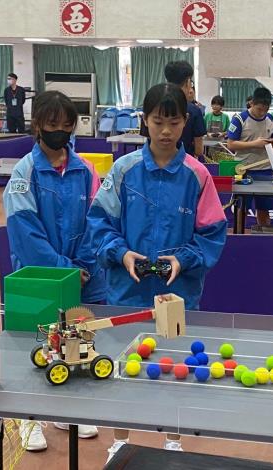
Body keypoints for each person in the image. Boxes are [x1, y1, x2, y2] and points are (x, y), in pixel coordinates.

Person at [87, 83, 227, 461]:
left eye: (174, 122)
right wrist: (120, 254)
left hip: (178, 293)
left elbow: (212, 233)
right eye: (158, 121)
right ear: (144, 121)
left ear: (185, 123)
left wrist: (184, 259)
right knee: (122, 365)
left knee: (175, 362)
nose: (166, 131)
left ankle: (173, 437)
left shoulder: (197, 175)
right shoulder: (124, 170)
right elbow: (99, 223)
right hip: (126, 290)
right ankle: (120, 438)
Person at [3, 90, 105, 452]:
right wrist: (65, 270)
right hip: (38, 278)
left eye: (66, 125)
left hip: (84, 276)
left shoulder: (86, 170)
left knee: (76, 343)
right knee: (35, 347)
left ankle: (69, 412)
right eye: (52, 124)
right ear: (37, 125)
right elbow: (25, 234)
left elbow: (97, 221)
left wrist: (83, 266)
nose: (60, 131)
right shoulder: (24, 172)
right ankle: (28, 418)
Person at [227, 86, 273, 226]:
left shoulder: (270, 118)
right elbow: (231, 144)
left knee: (264, 209)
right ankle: (239, 234)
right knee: (241, 208)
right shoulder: (239, 119)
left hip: (265, 171)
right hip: (243, 170)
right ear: (252, 103)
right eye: (259, 109)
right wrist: (255, 144)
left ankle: (264, 236)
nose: (262, 113)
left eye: (266, 109)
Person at [164, 61, 206, 158]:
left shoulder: (154, 105)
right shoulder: (194, 110)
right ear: (188, 82)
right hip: (184, 162)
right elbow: (199, 150)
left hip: (156, 162)